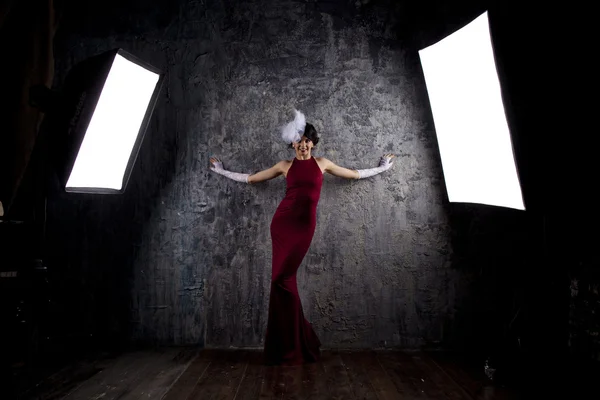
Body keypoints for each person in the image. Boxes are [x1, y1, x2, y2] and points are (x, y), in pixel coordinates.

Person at [209, 110, 395, 365]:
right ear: (293, 143)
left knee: (283, 281)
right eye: (300, 141)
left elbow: (352, 174)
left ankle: (299, 337)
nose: (304, 145)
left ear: (313, 143)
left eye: (308, 141)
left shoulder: (323, 164)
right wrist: (221, 172)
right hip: (282, 225)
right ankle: (290, 343)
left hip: (304, 229)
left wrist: (382, 169)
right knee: (279, 282)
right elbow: (252, 179)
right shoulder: (284, 166)